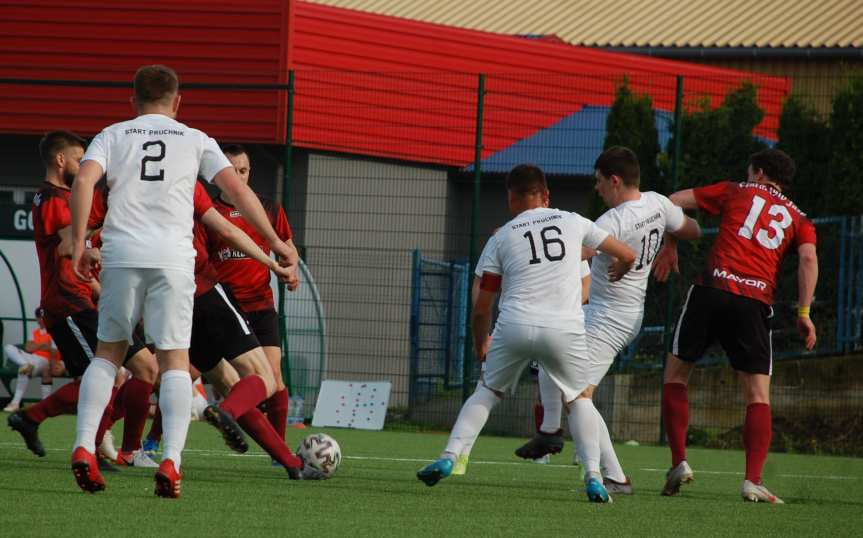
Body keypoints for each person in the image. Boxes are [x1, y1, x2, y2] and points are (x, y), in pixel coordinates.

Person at [67, 65, 296, 498]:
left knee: (108, 354)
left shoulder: (113, 135)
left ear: (132, 101)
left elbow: (83, 180)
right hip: (174, 260)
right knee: (175, 362)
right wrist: (275, 243)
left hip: (121, 254)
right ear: (177, 102)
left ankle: (83, 447)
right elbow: (240, 194)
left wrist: (79, 243)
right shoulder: (195, 139)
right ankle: (171, 461)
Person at [415, 164, 636, 503]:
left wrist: (481, 343)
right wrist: (622, 263)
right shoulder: (573, 222)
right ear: (545, 194)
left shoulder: (501, 237)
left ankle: (450, 456)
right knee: (579, 400)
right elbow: (625, 253)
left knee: (486, 392)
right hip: (564, 327)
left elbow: (482, 305)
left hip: (515, 324)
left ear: (511, 198)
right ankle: (593, 475)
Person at [513, 147, 701, 495]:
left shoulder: (611, 222)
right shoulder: (658, 203)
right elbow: (694, 228)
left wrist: (521, 240)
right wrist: (669, 241)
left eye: (599, 182)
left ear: (614, 180)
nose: (597, 189)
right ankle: (551, 431)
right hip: (612, 312)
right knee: (551, 356)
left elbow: (575, 252)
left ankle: (612, 475)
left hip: (608, 318)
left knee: (579, 395)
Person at [653, 148, 818, 504]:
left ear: (758, 173)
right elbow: (807, 257)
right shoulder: (799, 218)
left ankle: (679, 460)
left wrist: (671, 244)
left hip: (712, 289)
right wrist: (804, 312)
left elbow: (671, 202)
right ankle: (752, 481)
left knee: (676, 376)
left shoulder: (736, 190)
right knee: (758, 395)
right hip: (755, 302)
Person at [7, 131, 159, 469]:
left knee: (144, 368)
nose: (86, 165)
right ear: (60, 160)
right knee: (112, 377)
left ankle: (45, 423)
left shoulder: (64, 198)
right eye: (79, 158)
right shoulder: (51, 199)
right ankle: (89, 444)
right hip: (68, 303)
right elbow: (67, 245)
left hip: (86, 301)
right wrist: (98, 224)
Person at [208, 144, 299, 444]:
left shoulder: (268, 208)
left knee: (274, 378)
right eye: (231, 171)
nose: (238, 177)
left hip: (260, 303)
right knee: (185, 372)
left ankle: (279, 447)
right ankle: (154, 441)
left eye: (243, 171)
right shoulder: (207, 211)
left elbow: (286, 245)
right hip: (223, 307)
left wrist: (292, 268)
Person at [3, 308, 63, 412]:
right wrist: (44, 346)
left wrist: (37, 346)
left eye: (43, 317)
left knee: (24, 370)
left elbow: (54, 351)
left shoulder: (54, 331)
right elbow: (28, 348)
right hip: (32, 358)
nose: (41, 319)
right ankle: (25, 364)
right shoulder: (35, 332)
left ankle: (15, 403)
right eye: (39, 317)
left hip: (44, 360)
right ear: (37, 319)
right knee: (8, 347)